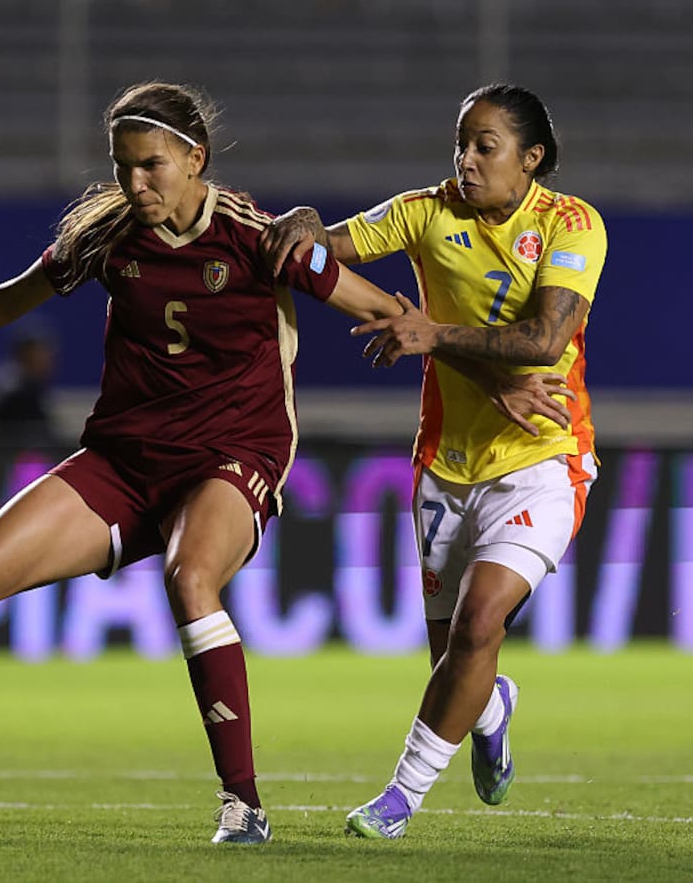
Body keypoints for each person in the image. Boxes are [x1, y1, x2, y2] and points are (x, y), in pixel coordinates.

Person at [0, 80, 568, 844]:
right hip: (124, 460)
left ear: (194, 160)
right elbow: (18, 293)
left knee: (191, 580)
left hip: (233, 456)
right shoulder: (109, 235)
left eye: (152, 165)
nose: (136, 182)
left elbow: (390, 309)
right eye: (123, 167)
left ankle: (243, 805)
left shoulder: (260, 239)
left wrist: (495, 384)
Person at [261, 83, 606, 839]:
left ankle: (398, 801)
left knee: (482, 624)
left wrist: (432, 335)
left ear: (532, 158)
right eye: (462, 142)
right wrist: (306, 221)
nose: (467, 159)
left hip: (544, 456)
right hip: (446, 466)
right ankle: (494, 710)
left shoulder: (572, 223)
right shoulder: (428, 209)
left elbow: (545, 343)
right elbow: (325, 252)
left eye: (487, 146)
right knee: (454, 662)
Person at [0, 331, 58, 443]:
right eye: (40, 355)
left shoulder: (37, 387)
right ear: (26, 355)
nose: (47, 360)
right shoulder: (15, 392)